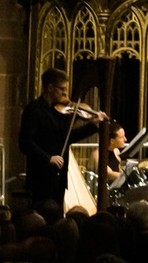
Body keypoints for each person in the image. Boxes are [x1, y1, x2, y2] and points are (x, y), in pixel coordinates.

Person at [19, 67, 106, 214]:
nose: (66, 94)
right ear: (50, 87)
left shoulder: (59, 112)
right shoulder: (33, 110)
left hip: (59, 177)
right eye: (62, 89)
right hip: (40, 176)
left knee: (57, 216)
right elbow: (25, 143)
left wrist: (93, 124)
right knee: (41, 216)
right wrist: (48, 158)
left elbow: (68, 137)